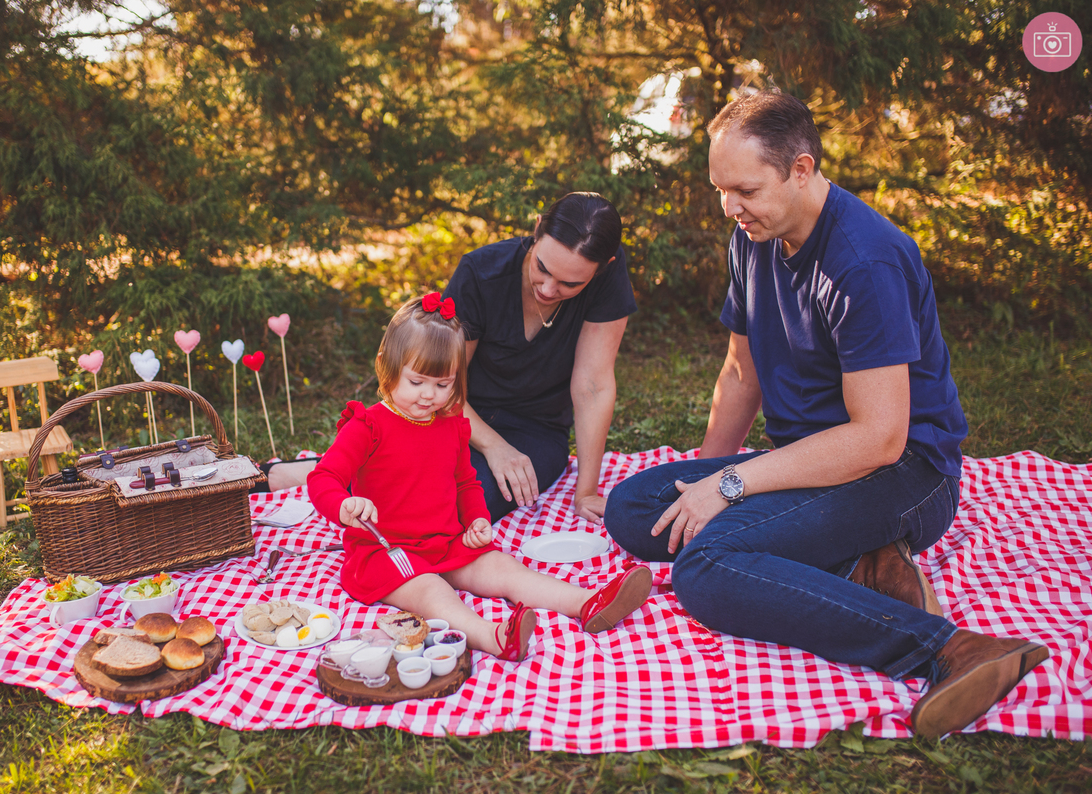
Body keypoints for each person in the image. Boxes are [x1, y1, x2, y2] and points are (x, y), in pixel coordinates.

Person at [602, 91, 1048, 737]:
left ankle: (950, 649)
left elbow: (879, 438)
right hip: (812, 463)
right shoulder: (753, 236)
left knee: (706, 570)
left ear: (802, 170)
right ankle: (861, 562)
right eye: (721, 189)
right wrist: (702, 481)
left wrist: (730, 487)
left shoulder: (863, 261)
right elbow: (740, 372)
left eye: (745, 189)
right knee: (637, 508)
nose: (730, 207)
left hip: (902, 474)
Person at [307, 293, 652, 660]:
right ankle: (493, 636)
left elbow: (465, 483)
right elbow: (323, 477)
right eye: (417, 382)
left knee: (503, 567)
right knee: (432, 591)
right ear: (385, 366)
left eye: (443, 385)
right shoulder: (368, 426)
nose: (429, 396)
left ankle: (588, 602)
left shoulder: (452, 425)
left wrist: (476, 520)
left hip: (445, 540)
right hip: (387, 550)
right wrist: (344, 504)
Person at [442, 192, 637, 523]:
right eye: (541, 268)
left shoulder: (608, 281)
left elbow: (593, 385)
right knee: (404, 486)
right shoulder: (479, 273)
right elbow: (442, 383)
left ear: (604, 269)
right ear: (536, 231)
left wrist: (586, 492)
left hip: (535, 430)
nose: (547, 289)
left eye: (569, 283)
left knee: (468, 505)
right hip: (458, 415)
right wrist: (493, 447)